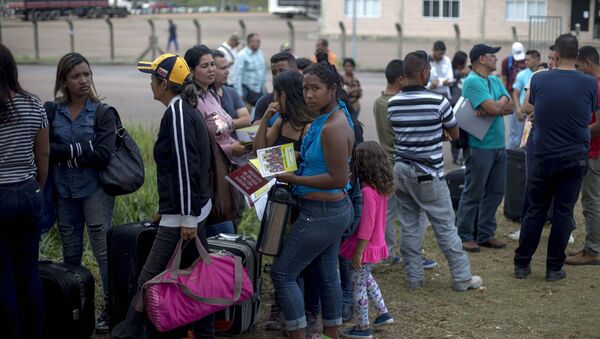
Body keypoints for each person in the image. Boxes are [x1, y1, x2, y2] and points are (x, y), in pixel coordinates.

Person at [112, 53, 214, 338]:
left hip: (184, 216)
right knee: (198, 276)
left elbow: (184, 166)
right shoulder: (181, 107)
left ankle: (128, 331)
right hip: (188, 211)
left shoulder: (178, 112)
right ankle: (202, 332)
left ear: (164, 82)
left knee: (148, 279)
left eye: (152, 79)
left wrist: (187, 218)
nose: (150, 85)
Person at [270, 50, 355, 339]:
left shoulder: (333, 126)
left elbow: (339, 178)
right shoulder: (327, 116)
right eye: (305, 89)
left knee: (282, 273)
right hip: (328, 211)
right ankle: (332, 331)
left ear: (332, 89)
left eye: (315, 89)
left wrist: (291, 177)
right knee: (327, 272)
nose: (308, 95)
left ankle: (298, 334)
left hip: (322, 212)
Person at [388, 50, 482, 292]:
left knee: (409, 226)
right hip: (427, 173)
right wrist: (436, 135)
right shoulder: (438, 101)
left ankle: (414, 278)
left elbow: (402, 133)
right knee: (445, 225)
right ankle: (462, 278)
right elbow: (455, 134)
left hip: (401, 170)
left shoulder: (393, 103)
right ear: (425, 73)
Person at [514, 34, 597, 281]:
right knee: (563, 212)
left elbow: (532, 108)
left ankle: (522, 264)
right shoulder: (590, 83)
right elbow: (586, 113)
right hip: (576, 156)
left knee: (535, 210)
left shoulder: (539, 79)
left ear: (556, 54)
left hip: (544, 154)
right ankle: (553, 268)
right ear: (578, 56)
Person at [49, 52, 117, 332]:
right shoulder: (52, 111)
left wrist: (65, 154)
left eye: (87, 74)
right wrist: (80, 151)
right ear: (64, 80)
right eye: (76, 76)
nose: (83, 80)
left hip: (95, 192)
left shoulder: (102, 112)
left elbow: (103, 154)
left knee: (103, 254)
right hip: (65, 192)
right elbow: (46, 151)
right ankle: (74, 309)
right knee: (71, 253)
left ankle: (111, 309)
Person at [253, 70, 320, 335]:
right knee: (279, 253)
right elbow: (260, 153)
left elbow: (312, 162)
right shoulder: (281, 122)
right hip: (281, 199)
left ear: (284, 94)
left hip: (303, 201)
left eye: (276, 93)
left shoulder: (310, 125)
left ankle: (306, 311)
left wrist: (285, 159)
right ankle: (279, 308)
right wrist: (266, 120)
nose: (273, 97)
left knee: (301, 261)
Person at [0, 43, 49, 339]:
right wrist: (38, 188)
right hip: (29, 193)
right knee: (29, 273)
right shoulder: (33, 104)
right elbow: (43, 155)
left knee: (3, 276)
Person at [372, 59, 438, 269]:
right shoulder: (398, 103)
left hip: (385, 164)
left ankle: (387, 254)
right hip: (403, 163)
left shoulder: (378, 101)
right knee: (416, 214)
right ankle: (414, 255)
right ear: (401, 79)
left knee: (388, 213)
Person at [185, 44, 249, 236]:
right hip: (208, 178)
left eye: (213, 64)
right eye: (204, 66)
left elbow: (223, 133)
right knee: (222, 236)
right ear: (191, 70)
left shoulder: (212, 95)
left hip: (225, 173)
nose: (211, 69)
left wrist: (235, 146)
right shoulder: (191, 101)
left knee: (226, 233)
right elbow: (200, 141)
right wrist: (231, 149)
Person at [456, 44, 514, 253]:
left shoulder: (493, 80)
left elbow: (509, 106)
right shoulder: (472, 81)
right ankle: (464, 235)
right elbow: (497, 108)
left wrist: (496, 105)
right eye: (493, 56)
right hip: (479, 146)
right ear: (481, 59)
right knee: (474, 192)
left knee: (496, 191)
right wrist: (496, 106)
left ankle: (485, 234)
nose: (496, 59)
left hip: (498, 145)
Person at [339, 141, 395, 339]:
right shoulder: (380, 189)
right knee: (365, 279)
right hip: (374, 245)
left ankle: (363, 327)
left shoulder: (366, 193)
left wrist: (358, 252)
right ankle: (382, 313)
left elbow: (366, 226)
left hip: (364, 247)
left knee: (358, 285)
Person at [565, 46, 600, 266]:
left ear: (587, 63)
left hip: (594, 152)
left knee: (591, 202)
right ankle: (593, 244)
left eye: (577, 66)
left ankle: (593, 250)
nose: (576, 70)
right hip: (594, 150)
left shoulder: (596, 86)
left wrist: (577, 134)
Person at [211, 49, 251, 138]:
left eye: (227, 67)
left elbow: (247, 120)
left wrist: (226, 124)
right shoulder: (205, 97)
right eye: (222, 68)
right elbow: (213, 127)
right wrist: (235, 123)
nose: (227, 71)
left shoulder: (231, 92)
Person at [252, 52, 298, 124]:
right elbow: (254, 127)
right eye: (274, 72)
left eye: (282, 71)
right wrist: (267, 117)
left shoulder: (305, 98)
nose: (277, 76)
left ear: (295, 71)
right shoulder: (265, 101)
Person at [508, 49, 540, 149]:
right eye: (525, 60)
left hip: (534, 113)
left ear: (537, 60)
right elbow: (515, 93)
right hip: (522, 111)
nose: (525, 62)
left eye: (528, 60)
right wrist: (518, 110)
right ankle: (511, 160)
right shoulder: (522, 75)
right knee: (516, 137)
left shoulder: (541, 74)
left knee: (529, 139)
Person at [232, 33, 266, 108]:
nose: (259, 43)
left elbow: (262, 71)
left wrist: (264, 87)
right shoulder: (242, 55)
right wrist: (239, 94)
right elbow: (237, 76)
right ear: (250, 42)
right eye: (256, 41)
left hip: (259, 91)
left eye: (259, 41)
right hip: (247, 92)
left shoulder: (260, 53)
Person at [449, 51, 470, 165]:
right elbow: (451, 77)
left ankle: (464, 156)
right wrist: (461, 72)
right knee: (454, 133)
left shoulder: (465, 71)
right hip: (453, 105)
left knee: (465, 132)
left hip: (464, 105)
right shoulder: (451, 71)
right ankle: (455, 157)